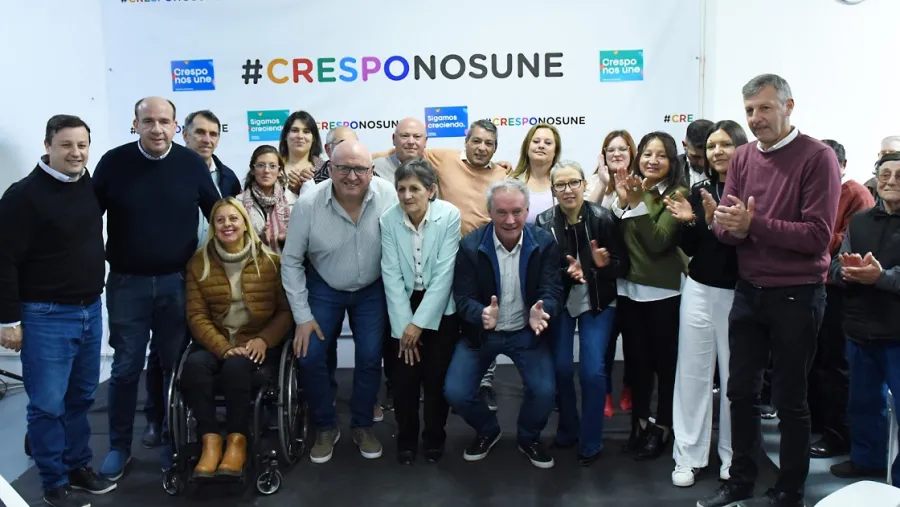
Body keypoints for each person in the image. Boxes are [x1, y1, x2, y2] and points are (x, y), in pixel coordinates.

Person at [697, 74, 841, 507]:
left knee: (790, 398)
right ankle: (740, 480)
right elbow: (730, 231)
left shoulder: (818, 157)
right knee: (740, 393)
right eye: (749, 110)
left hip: (797, 294)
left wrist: (751, 225)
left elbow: (818, 236)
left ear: (788, 106)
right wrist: (723, 225)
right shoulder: (742, 157)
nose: (756, 118)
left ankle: (789, 491)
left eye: (764, 108)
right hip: (749, 291)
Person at [93, 96, 221, 480]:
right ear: (135, 124)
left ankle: (172, 439)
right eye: (148, 121)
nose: (157, 129)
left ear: (175, 126)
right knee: (125, 368)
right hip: (126, 285)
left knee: (172, 366)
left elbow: (219, 214)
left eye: (164, 121)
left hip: (177, 283)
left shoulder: (191, 164)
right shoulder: (113, 162)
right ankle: (119, 447)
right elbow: (86, 219)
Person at [0, 115, 115, 507]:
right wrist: (9, 321)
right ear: (48, 145)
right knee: (47, 404)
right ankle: (53, 481)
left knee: (81, 397)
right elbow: (3, 260)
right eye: (66, 145)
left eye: (82, 145)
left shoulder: (86, 185)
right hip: (44, 315)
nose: (76, 153)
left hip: (89, 310)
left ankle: (78, 465)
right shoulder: (23, 196)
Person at [373, 119, 511, 411]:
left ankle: (483, 383)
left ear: (496, 148)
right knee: (447, 333)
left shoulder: (502, 173)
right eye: (476, 141)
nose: (481, 147)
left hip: (486, 260)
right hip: (446, 258)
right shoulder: (445, 159)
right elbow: (409, 149)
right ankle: (430, 383)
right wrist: (371, 155)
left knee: (481, 324)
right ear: (466, 142)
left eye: (488, 143)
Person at [281, 140, 398, 463]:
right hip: (325, 284)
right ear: (329, 169)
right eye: (343, 168)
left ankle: (362, 425)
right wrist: (303, 317)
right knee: (310, 356)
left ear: (371, 171)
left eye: (360, 169)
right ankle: (325, 426)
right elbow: (290, 261)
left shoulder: (388, 194)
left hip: (372, 287)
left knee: (371, 357)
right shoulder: (308, 204)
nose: (352, 176)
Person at [444, 179, 562, 469]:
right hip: (483, 334)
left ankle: (528, 437)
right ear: (489, 212)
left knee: (545, 392)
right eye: (501, 212)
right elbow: (463, 298)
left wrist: (543, 309)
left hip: (525, 332)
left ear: (527, 210)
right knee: (456, 392)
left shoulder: (544, 243)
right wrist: (481, 313)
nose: (510, 220)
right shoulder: (470, 246)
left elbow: (553, 290)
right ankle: (488, 429)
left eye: (517, 211)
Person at [142, 109, 243, 450]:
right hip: (175, 271)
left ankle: (210, 413)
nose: (206, 139)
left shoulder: (228, 178)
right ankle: (157, 418)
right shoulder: (167, 170)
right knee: (164, 350)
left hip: (214, 275)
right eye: (199, 132)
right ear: (183, 134)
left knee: (205, 345)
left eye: (213, 134)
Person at [182, 197, 292, 479]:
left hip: (255, 343)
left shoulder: (270, 262)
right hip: (215, 342)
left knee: (236, 368)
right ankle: (209, 441)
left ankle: (237, 441)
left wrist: (264, 340)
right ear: (213, 226)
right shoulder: (198, 263)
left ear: (245, 224)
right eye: (220, 220)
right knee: (194, 367)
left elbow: (285, 312)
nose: (227, 225)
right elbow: (196, 315)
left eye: (233, 218)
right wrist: (223, 347)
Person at [664, 120, 748, 487]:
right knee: (692, 374)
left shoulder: (755, 191)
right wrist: (690, 222)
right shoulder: (698, 191)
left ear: (741, 147)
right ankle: (688, 455)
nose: (717, 151)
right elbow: (693, 247)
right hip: (698, 289)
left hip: (739, 293)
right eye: (712, 146)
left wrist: (722, 222)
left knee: (734, 379)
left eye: (725, 144)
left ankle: (732, 455)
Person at [535, 160, 629, 465]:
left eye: (574, 182)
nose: (568, 190)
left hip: (598, 299)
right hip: (562, 300)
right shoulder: (544, 222)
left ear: (584, 185)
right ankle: (567, 429)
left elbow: (622, 265)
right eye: (560, 185)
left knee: (592, 371)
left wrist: (601, 267)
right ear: (553, 190)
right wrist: (567, 273)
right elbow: (542, 273)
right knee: (561, 367)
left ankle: (591, 440)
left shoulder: (603, 218)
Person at [380, 157, 461, 464]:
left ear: (431, 190)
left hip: (441, 306)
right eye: (401, 188)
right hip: (402, 304)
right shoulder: (389, 219)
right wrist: (405, 328)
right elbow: (391, 275)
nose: (406, 195)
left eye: (414, 188)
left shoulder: (449, 215)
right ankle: (406, 438)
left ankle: (434, 437)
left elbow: (444, 275)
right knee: (404, 379)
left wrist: (418, 326)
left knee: (436, 378)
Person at [612, 131, 688, 460]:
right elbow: (617, 236)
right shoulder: (632, 188)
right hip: (629, 291)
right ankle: (640, 422)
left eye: (661, 155)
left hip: (664, 293)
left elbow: (658, 242)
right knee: (637, 364)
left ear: (672, 161)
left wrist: (635, 204)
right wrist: (623, 201)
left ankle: (664, 427)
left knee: (666, 366)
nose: (652, 161)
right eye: (647, 154)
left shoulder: (678, 193)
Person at [828, 151, 900, 485]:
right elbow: (836, 263)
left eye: (899, 176)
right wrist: (847, 272)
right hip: (859, 328)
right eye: (885, 174)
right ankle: (866, 460)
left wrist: (880, 277)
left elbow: (884, 276)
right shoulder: (859, 221)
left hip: (896, 332)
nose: (891, 181)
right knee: (863, 403)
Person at [807, 139, 874, 459]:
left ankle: (838, 435)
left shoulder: (856, 193)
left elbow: (847, 243)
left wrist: (809, 234)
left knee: (836, 365)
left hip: (839, 289)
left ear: (843, 166)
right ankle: (819, 424)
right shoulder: (812, 192)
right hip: (811, 285)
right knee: (816, 361)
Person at [586, 129, 638, 418]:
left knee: (633, 340)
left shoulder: (640, 182)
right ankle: (604, 391)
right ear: (602, 155)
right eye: (611, 149)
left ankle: (629, 387)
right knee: (604, 343)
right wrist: (604, 186)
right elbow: (584, 220)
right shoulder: (594, 182)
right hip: (603, 278)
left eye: (622, 149)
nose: (616, 154)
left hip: (634, 277)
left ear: (632, 153)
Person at [238, 145, 315, 254]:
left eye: (272, 166)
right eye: (261, 165)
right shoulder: (239, 204)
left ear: (279, 171)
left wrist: (285, 239)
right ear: (252, 170)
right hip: (252, 261)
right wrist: (260, 240)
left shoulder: (294, 201)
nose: (266, 170)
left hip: (288, 261)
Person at [508, 123, 561, 223]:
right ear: (527, 147)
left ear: (555, 151)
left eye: (548, 143)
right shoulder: (511, 183)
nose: (541, 146)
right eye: (536, 141)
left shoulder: (564, 184)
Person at [279, 110, 323, 194]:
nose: (300, 136)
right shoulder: (272, 169)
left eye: (306, 132)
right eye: (295, 130)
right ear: (285, 136)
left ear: (313, 138)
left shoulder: (324, 170)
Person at [373, 118, 427, 185]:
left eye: (417, 136)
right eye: (405, 136)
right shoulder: (375, 168)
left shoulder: (433, 170)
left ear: (425, 141)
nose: (411, 142)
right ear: (394, 139)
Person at [679, 119, 714, 187]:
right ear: (684, 145)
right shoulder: (672, 168)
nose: (702, 163)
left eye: (707, 156)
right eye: (695, 157)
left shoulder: (728, 169)